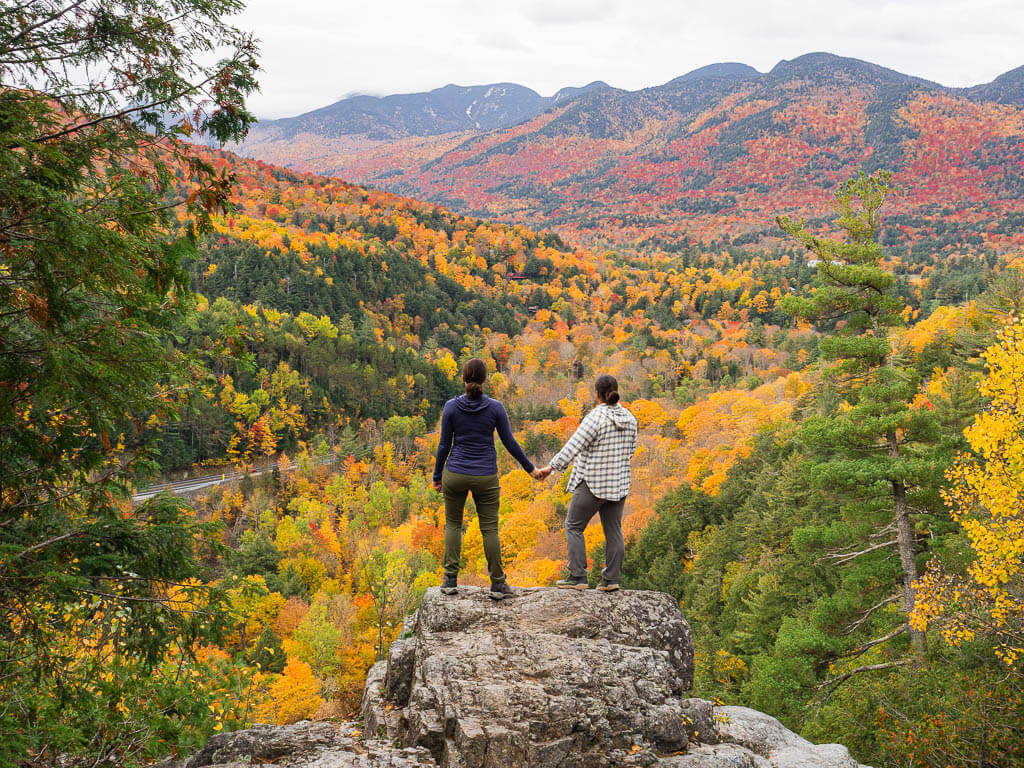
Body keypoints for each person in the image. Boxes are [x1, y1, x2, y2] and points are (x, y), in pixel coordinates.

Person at [433, 358, 545, 600]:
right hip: (485, 475)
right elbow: (509, 443)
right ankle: (497, 584)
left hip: (456, 472)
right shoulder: (495, 408)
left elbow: (444, 445)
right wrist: (531, 469)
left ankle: (450, 580)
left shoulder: (451, 407)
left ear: (463, 379)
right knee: (489, 529)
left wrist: (437, 475)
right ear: (484, 380)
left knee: (453, 524)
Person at [536, 374, 638, 592]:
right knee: (614, 531)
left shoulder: (595, 417)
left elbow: (574, 445)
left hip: (592, 482)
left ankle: (578, 577)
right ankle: (611, 580)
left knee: (573, 526)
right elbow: (631, 450)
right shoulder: (630, 418)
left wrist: (551, 468)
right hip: (618, 484)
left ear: (597, 394)